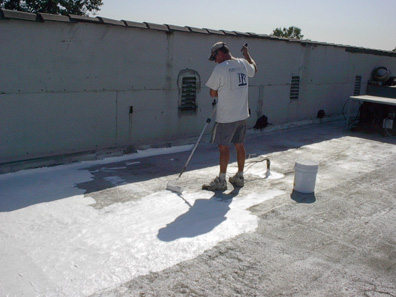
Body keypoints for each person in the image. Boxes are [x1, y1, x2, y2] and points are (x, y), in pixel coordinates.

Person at [202, 41, 257, 191]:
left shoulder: (220, 68)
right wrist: (247, 55)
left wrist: (224, 92)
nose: (214, 61)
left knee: (223, 147)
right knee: (239, 145)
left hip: (226, 117)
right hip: (242, 114)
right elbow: (255, 69)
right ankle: (239, 176)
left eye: (214, 58)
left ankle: (221, 180)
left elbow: (212, 93)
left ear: (219, 53)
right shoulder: (243, 63)